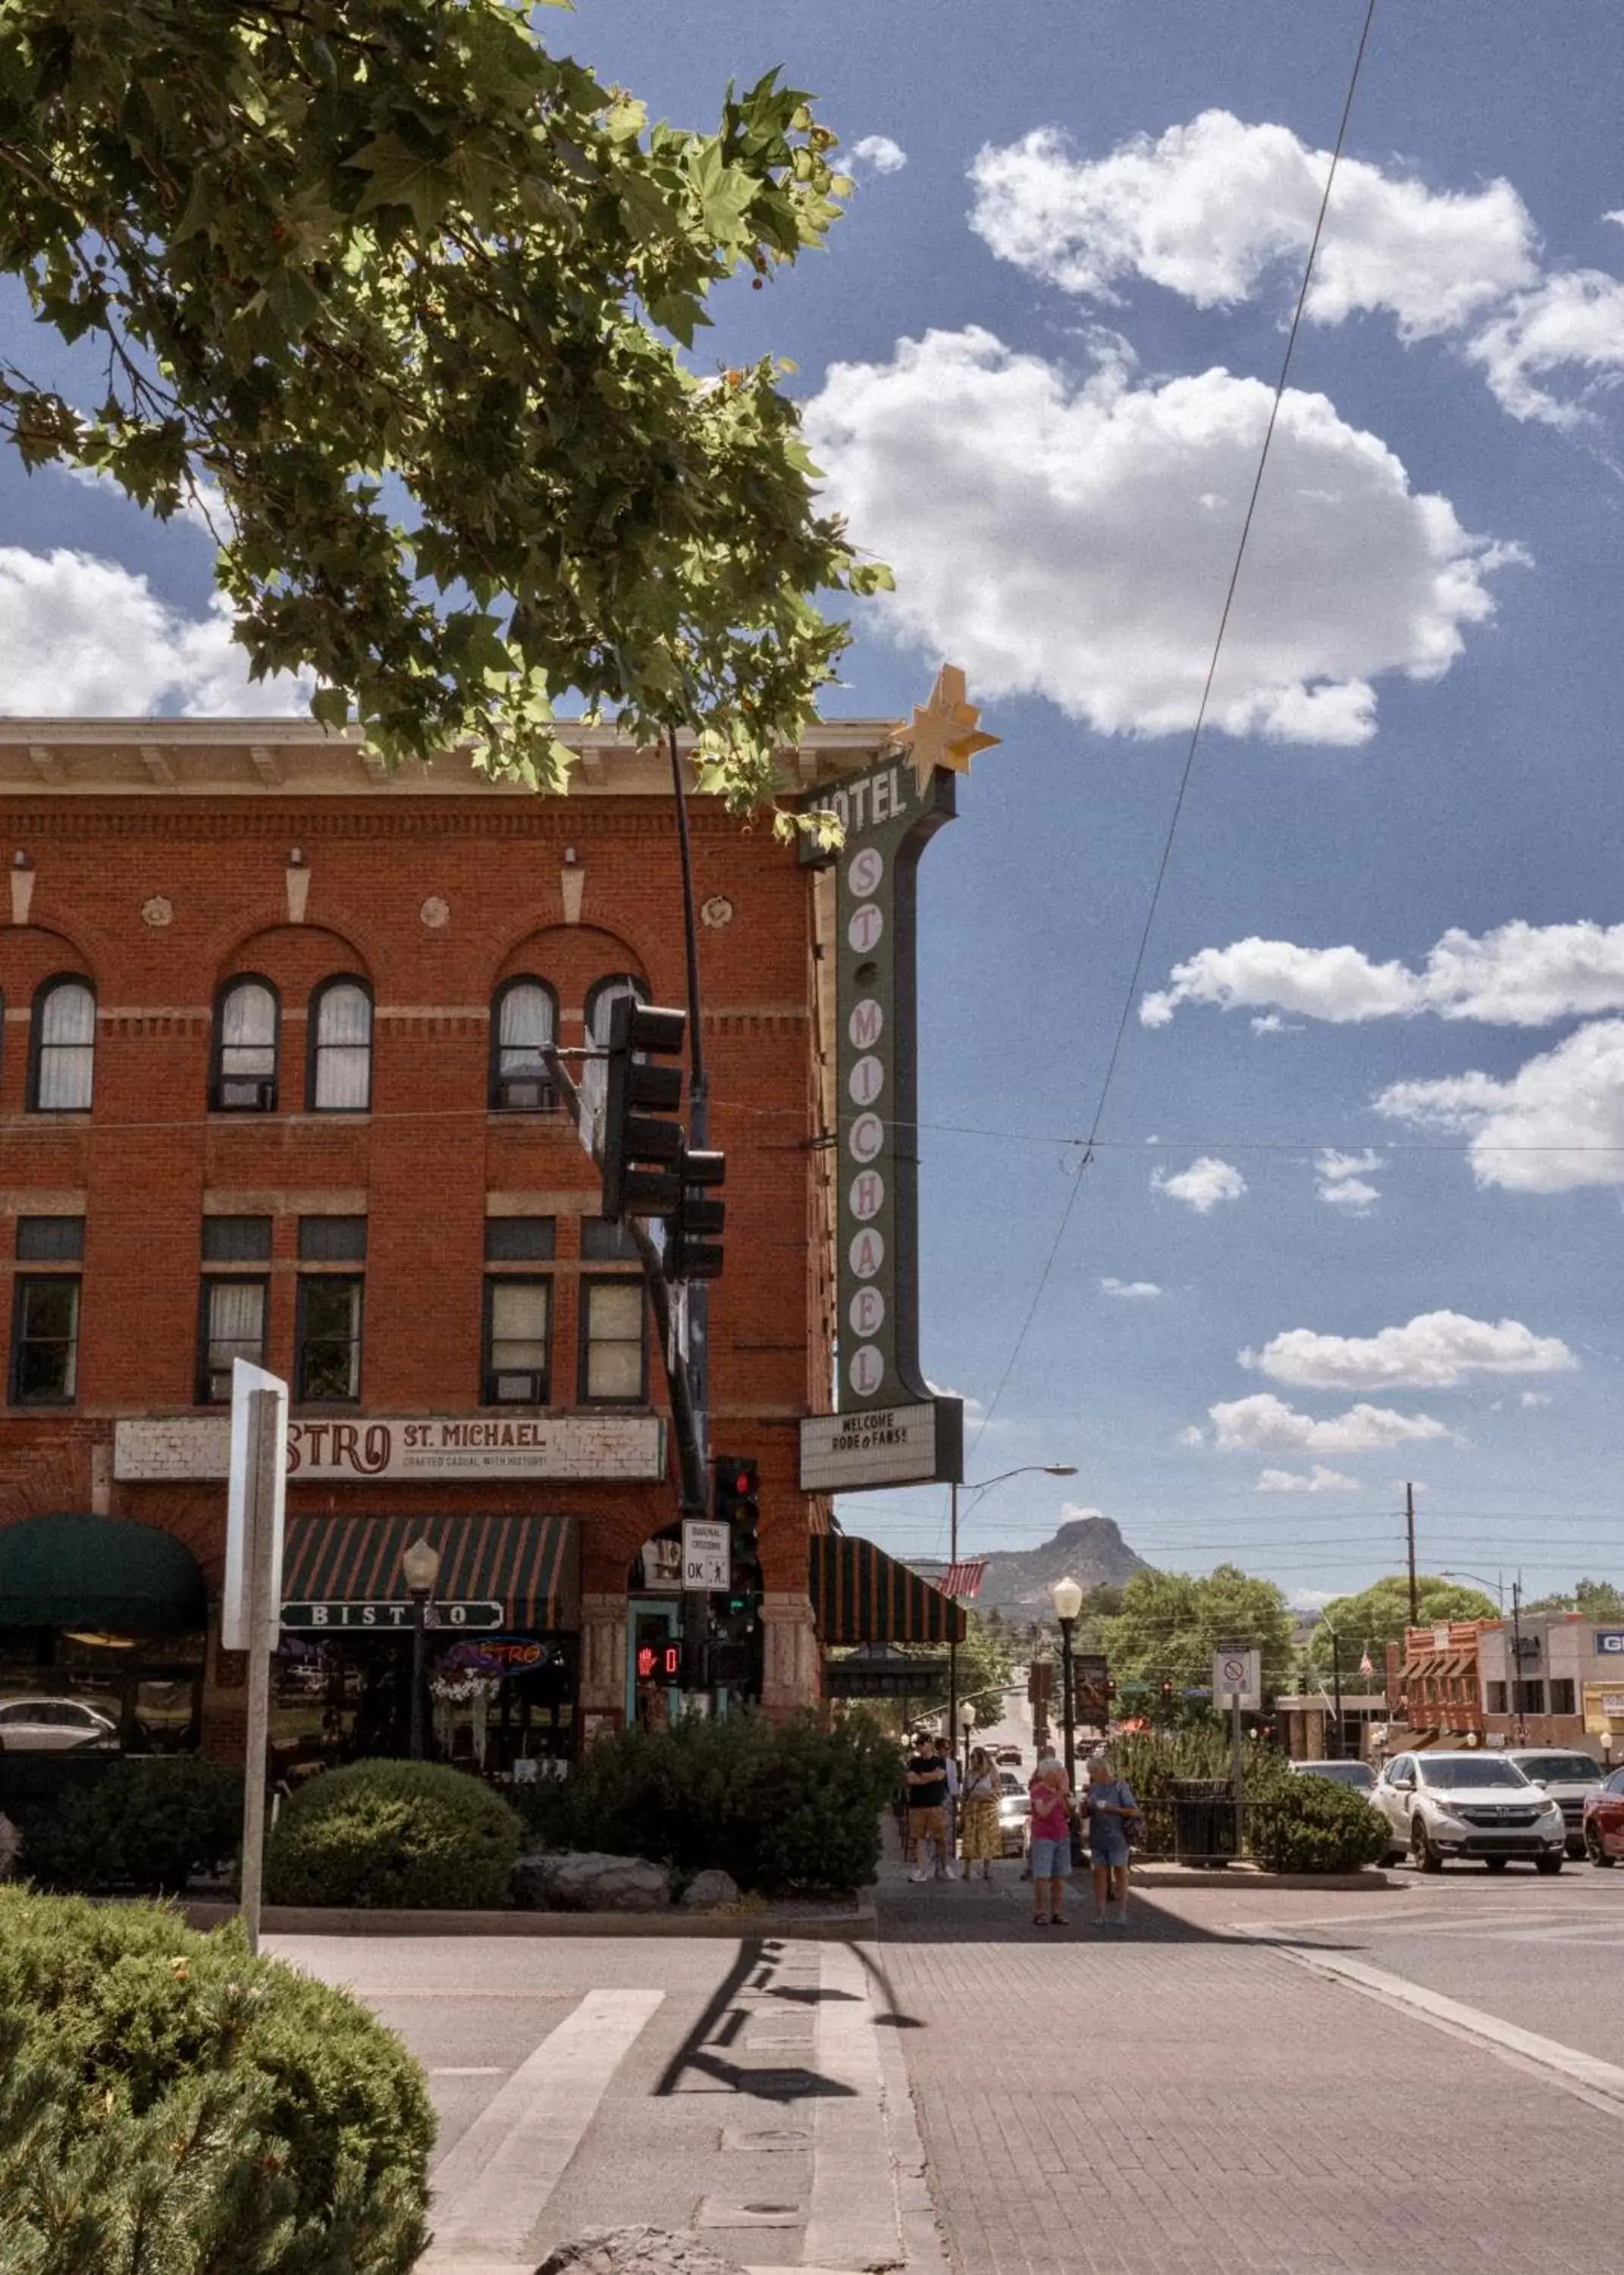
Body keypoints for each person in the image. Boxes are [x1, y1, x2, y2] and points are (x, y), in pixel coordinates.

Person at [1080, 1753, 1140, 1926]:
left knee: (1120, 1871)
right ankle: (1101, 1912)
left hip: (1118, 1835)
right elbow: (1086, 1813)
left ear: (1102, 1770)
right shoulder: (1093, 1788)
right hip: (1099, 1835)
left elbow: (1133, 1810)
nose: (1092, 1775)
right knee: (1099, 1873)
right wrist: (1084, 1806)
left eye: (1094, 1772)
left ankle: (1122, 1911)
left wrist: (1112, 1808)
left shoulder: (1119, 1786)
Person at [1027, 1755, 1073, 1925]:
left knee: (1059, 1877)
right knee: (1042, 1877)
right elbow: (1043, 1812)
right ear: (1049, 1774)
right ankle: (1040, 1912)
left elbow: (1067, 1812)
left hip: (1061, 1835)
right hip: (1043, 1837)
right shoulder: (1038, 1790)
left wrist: (1066, 1797)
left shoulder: (1059, 1791)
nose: (1061, 1775)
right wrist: (1058, 1795)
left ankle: (1057, 1912)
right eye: (1058, 1772)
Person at [904, 1729, 949, 1882]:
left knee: (940, 1838)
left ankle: (943, 1868)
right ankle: (921, 1869)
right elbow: (911, 1779)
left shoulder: (939, 1761)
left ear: (930, 1744)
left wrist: (923, 1777)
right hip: (918, 1805)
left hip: (936, 1805)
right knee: (920, 1838)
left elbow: (940, 1775)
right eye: (917, 1744)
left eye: (922, 1743)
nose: (919, 1747)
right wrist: (930, 1777)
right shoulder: (914, 1762)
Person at [960, 1746, 1002, 1880]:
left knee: (987, 1839)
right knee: (970, 1839)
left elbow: (998, 1792)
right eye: (970, 1757)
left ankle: (987, 1869)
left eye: (974, 1757)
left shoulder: (991, 1773)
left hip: (987, 1811)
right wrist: (962, 1810)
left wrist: (985, 1795)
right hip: (972, 1810)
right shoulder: (968, 1774)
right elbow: (964, 1793)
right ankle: (967, 1869)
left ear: (981, 1758)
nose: (971, 1760)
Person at [936, 1734, 962, 1879]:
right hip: (935, 1801)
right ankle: (937, 1865)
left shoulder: (951, 1764)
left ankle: (945, 1865)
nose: (945, 1752)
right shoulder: (932, 1763)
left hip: (947, 1801)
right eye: (943, 1749)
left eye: (947, 1749)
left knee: (946, 1836)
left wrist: (956, 1803)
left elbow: (954, 1784)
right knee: (936, 1836)